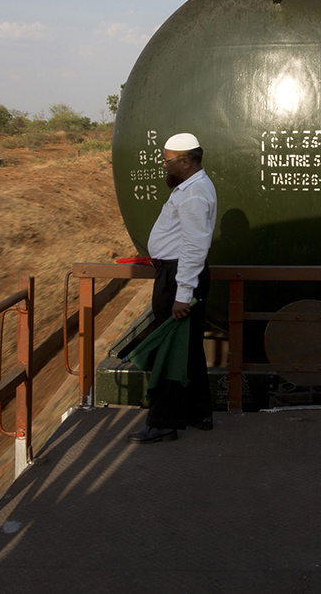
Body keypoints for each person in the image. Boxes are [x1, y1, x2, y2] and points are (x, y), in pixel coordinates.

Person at [128, 132, 217, 443]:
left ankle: (163, 422)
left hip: (180, 276)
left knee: (171, 350)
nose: (164, 166)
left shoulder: (193, 194)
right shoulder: (192, 187)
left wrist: (182, 294)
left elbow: (194, 246)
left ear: (185, 161)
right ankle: (199, 412)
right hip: (180, 274)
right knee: (189, 349)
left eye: (167, 161)